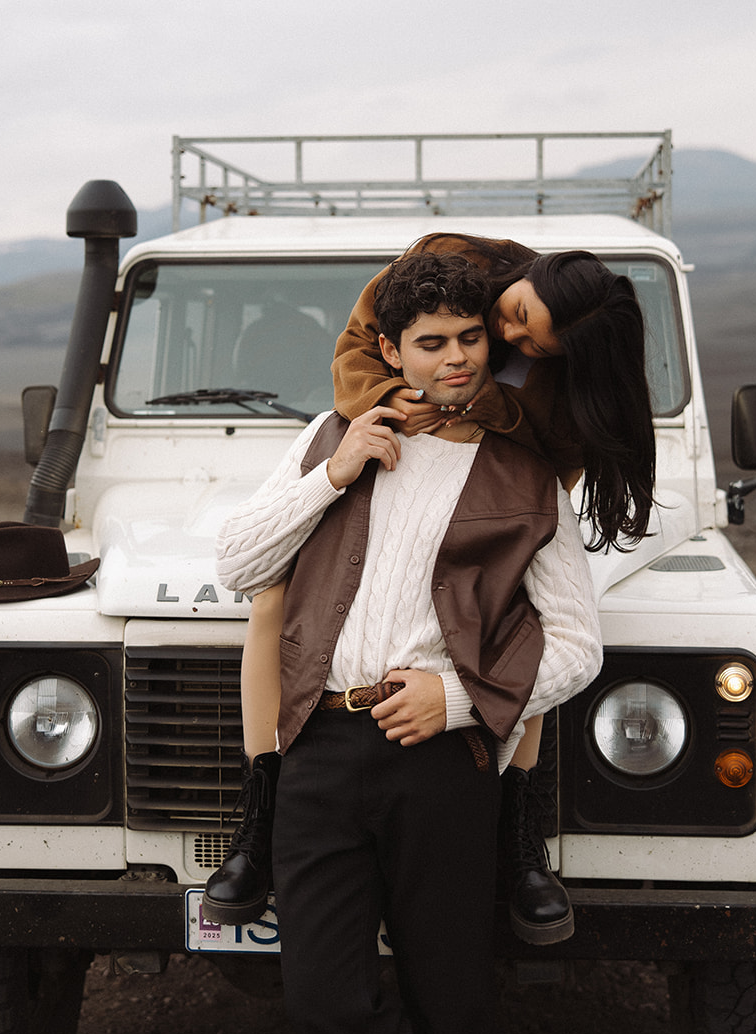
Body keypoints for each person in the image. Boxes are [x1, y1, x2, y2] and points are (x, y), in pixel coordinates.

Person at [214, 252, 602, 1034]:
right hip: (316, 748)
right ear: (390, 351)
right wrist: (334, 473)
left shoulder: (526, 474)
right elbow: (238, 562)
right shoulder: (328, 435)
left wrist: (457, 699)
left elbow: (578, 645)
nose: (455, 358)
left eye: (471, 339)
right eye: (431, 342)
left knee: (452, 1001)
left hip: (442, 759)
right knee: (323, 1001)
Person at [204, 231, 654, 937]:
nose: (509, 336)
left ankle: (517, 832)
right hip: (391, 433)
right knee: (271, 592)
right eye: (514, 315)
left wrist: (474, 414)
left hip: (492, 470)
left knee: (519, 609)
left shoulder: (563, 390)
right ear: (526, 275)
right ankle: (258, 815)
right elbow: (355, 353)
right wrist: (394, 399)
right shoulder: (450, 267)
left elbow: (543, 461)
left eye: (531, 345)